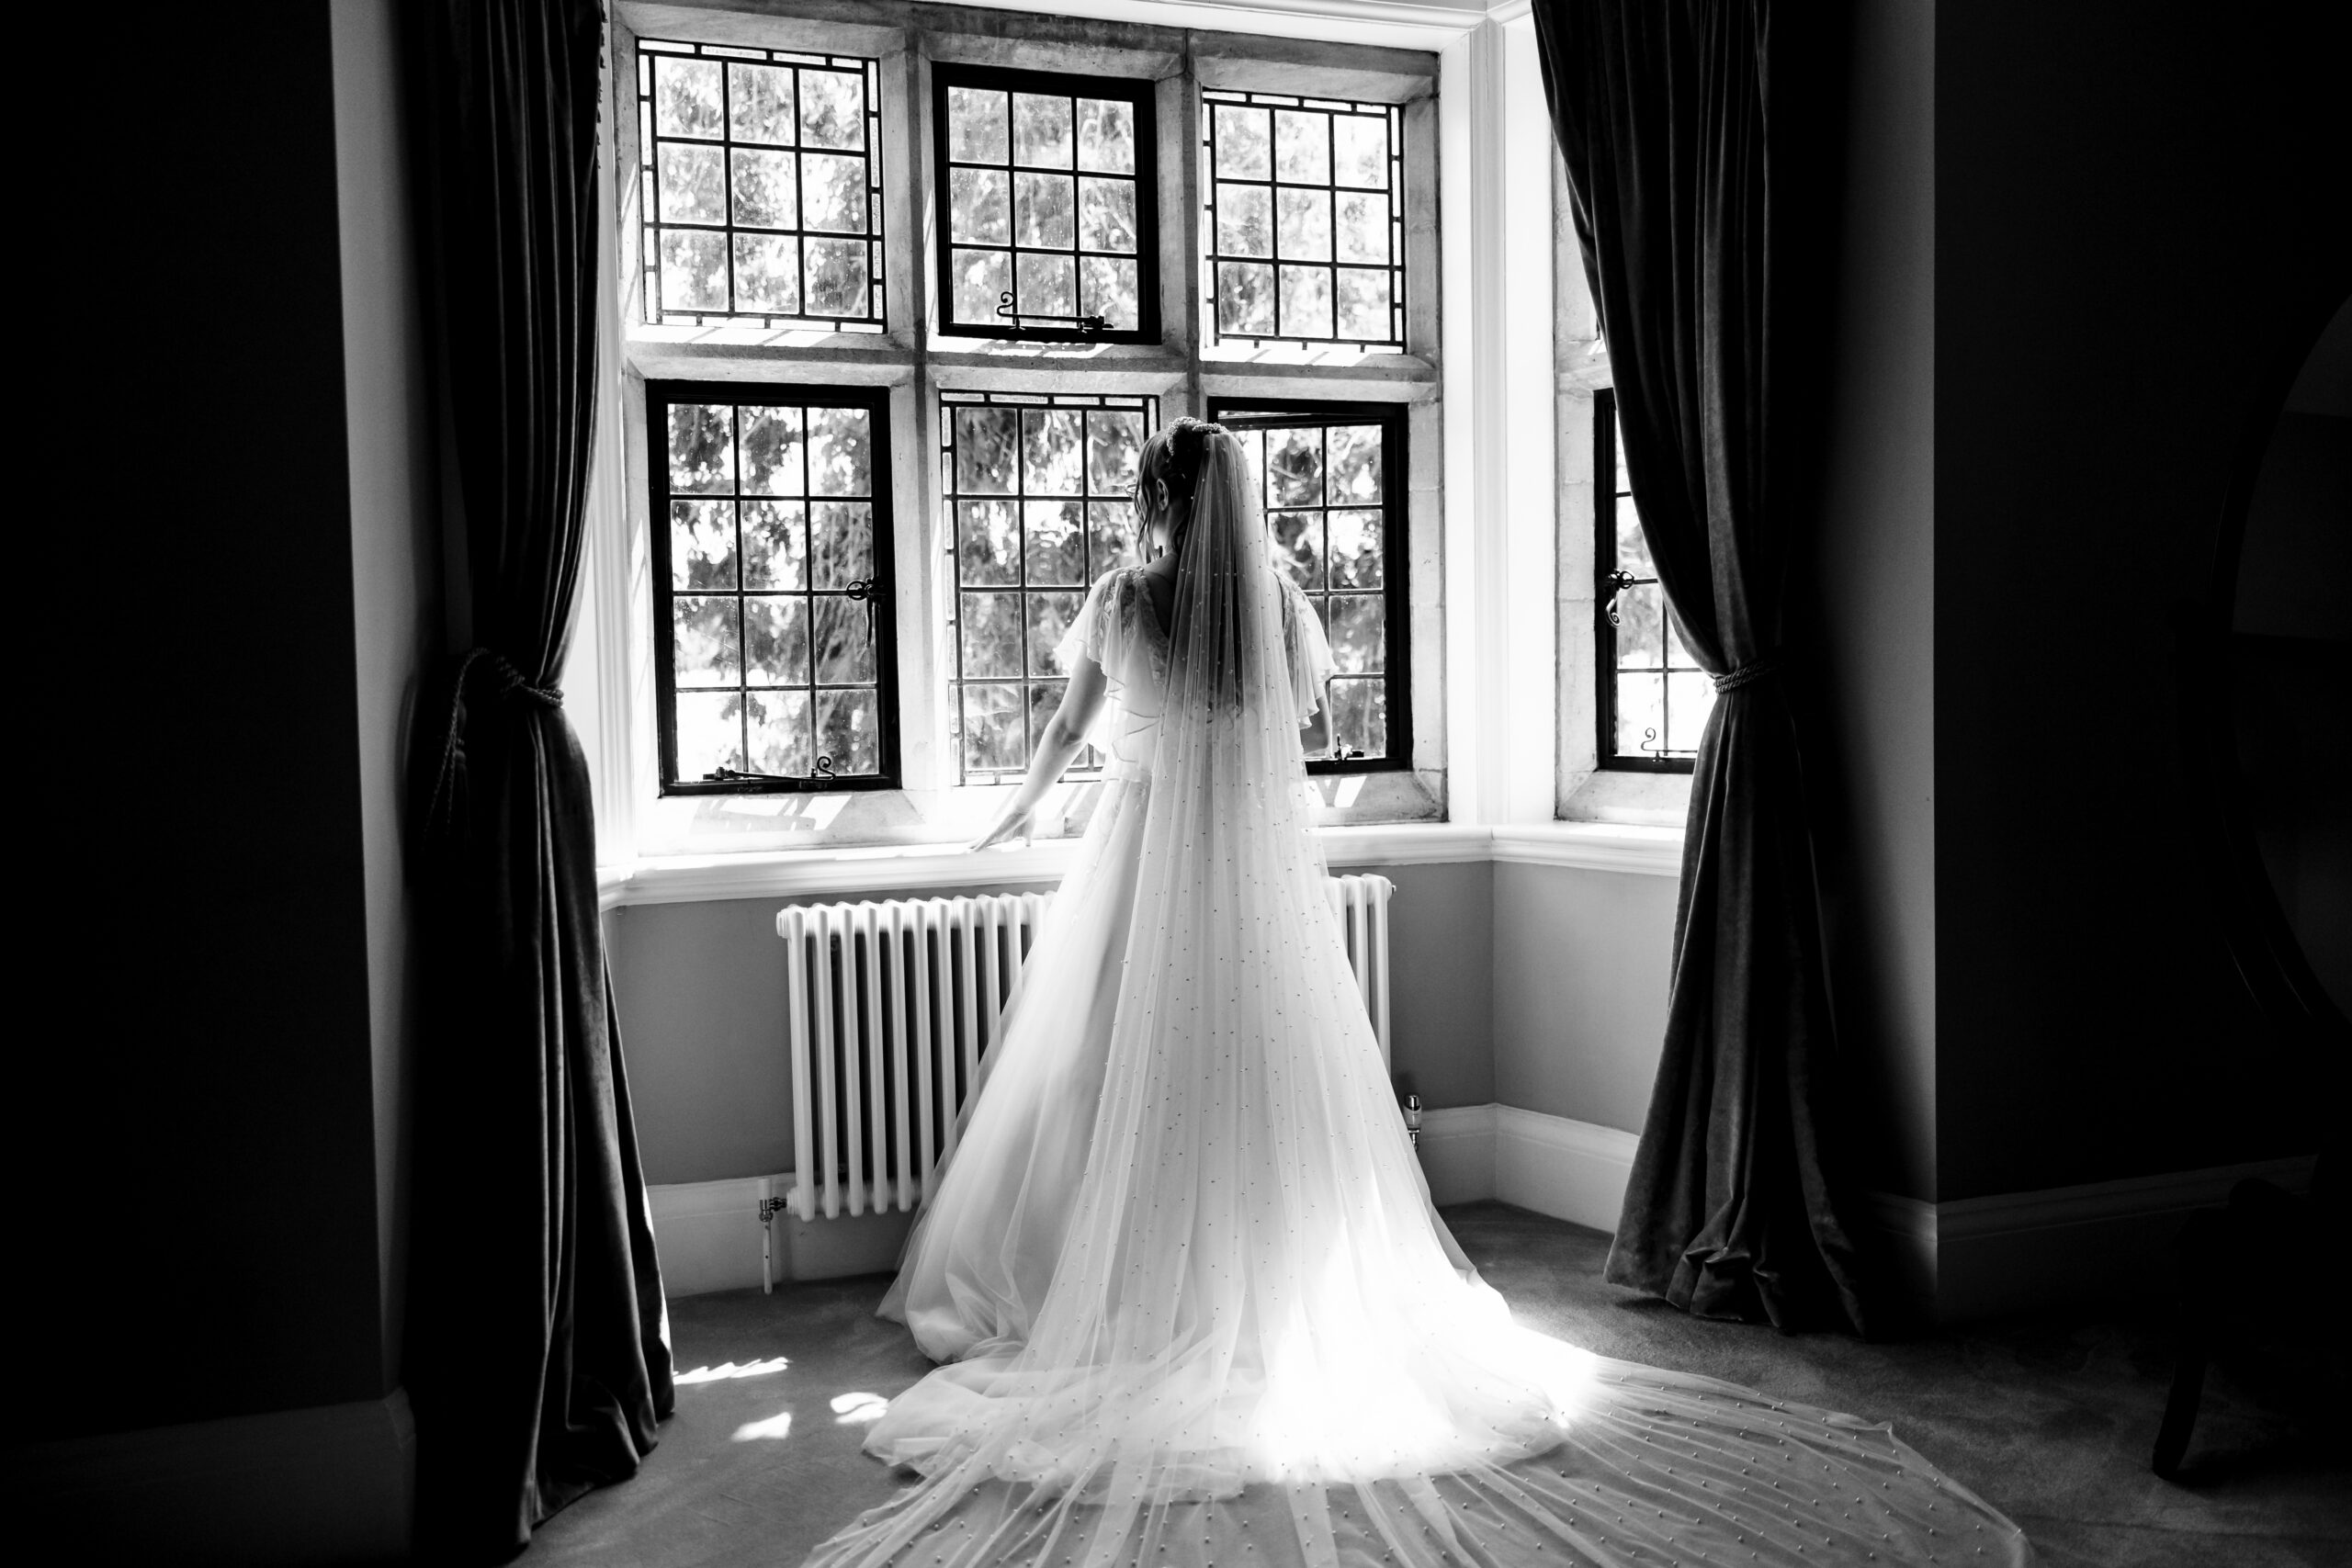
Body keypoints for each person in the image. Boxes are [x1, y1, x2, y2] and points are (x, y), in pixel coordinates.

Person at [804, 419, 2033, 1568]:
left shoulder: (1126, 600)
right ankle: (1257, 1292)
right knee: (1263, 1094)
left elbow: (1071, 734)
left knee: (1106, 1078)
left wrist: (1013, 818)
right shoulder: (1278, 606)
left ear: (1161, 501)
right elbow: (1307, 722)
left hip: (1143, 868)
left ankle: (1117, 1287)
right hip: (1249, 889)